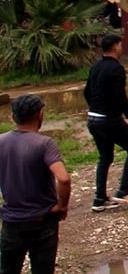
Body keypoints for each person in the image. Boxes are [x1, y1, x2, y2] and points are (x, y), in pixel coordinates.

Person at [0, 95, 71, 274]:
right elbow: (63, 179)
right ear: (40, 115)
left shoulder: (1, 141)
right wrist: (62, 206)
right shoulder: (44, 144)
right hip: (42, 220)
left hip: (12, 221)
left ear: (13, 117)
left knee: (8, 269)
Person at [84, 34, 128, 212]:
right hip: (109, 120)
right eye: (120, 44)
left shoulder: (96, 67)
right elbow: (120, 96)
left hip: (93, 119)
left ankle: (100, 198)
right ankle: (123, 190)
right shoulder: (116, 69)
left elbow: (87, 91)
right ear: (116, 47)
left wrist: (95, 108)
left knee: (105, 157)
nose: (121, 47)